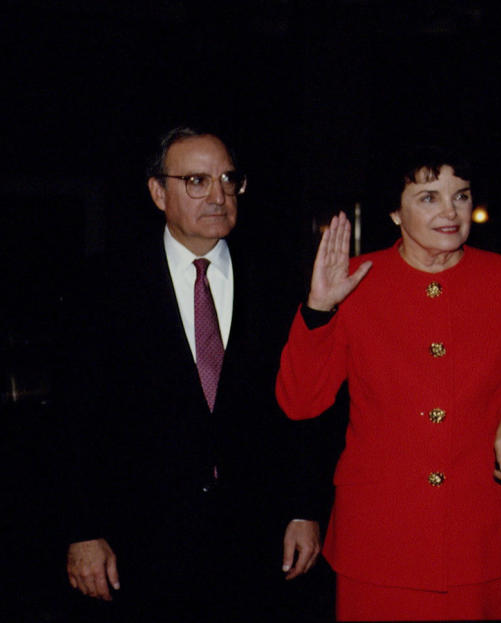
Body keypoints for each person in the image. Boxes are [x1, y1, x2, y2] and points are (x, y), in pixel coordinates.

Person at [274, 147, 501, 621]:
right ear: (394, 211)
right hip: (379, 541)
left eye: (460, 196)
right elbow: (301, 401)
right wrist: (319, 308)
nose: (450, 211)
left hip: (481, 540)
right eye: (428, 197)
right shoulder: (353, 280)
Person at [61, 127, 323, 621]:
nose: (218, 196)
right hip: (139, 540)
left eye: (228, 179)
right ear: (158, 192)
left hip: (257, 535)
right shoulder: (103, 286)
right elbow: (77, 418)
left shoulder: (279, 281)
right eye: (197, 181)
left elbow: (303, 406)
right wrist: (82, 530)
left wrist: (303, 507)